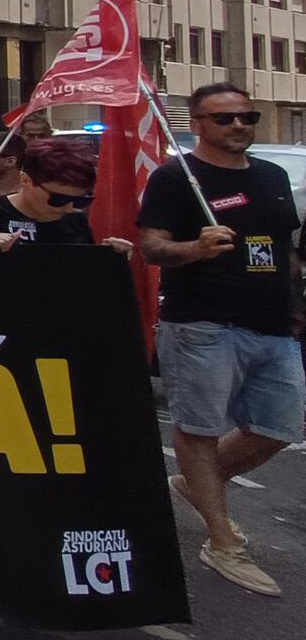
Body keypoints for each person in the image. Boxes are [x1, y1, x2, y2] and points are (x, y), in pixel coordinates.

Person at [138, 82, 303, 597]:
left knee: (279, 426)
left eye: (246, 117)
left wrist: (296, 303)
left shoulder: (273, 176)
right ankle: (222, 538)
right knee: (199, 429)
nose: (238, 126)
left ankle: (195, 484)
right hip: (203, 325)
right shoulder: (175, 179)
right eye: (225, 118)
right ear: (200, 124)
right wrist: (194, 247)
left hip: (274, 325)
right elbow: (151, 247)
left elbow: (287, 249)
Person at [0, 138, 126, 252]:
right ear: (26, 181)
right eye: (58, 199)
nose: (68, 208)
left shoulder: (74, 220)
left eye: (80, 200)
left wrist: (111, 256)